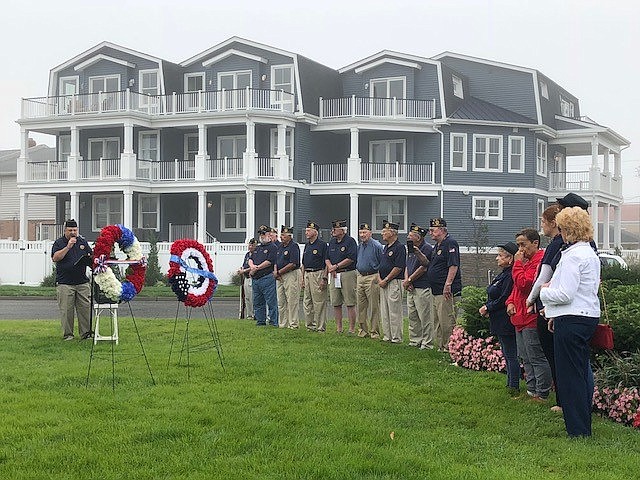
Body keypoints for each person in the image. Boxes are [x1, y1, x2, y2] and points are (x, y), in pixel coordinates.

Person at [540, 207, 601, 438]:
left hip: (573, 318)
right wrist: (556, 313)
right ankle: (582, 424)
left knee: (570, 376)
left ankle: (578, 430)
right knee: (580, 372)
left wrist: (545, 293)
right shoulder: (589, 253)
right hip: (586, 315)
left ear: (567, 230)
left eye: (562, 228)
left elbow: (565, 293)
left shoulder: (574, 255)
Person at [506, 228, 552, 401]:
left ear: (535, 243)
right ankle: (531, 390)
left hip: (531, 317)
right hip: (519, 315)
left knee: (536, 356)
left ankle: (542, 392)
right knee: (525, 357)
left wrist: (517, 264)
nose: (520, 249)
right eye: (518, 245)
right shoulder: (524, 261)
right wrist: (510, 301)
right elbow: (515, 287)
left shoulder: (539, 261)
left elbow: (525, 284)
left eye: (523, 245)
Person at [527, 204, 564, 411]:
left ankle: (561, 400)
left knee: (554, 356)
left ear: (553, 223)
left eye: (543, 221)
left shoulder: (556, 245)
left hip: (548, 305)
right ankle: (562, 398)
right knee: (553, 356)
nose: (542, 225)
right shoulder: (558, 244)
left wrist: (532, 298)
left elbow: (544, 276)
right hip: (548, 304)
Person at [479, 242, 518, 396]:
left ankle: (513, 385)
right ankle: (510, 383)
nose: (497, 258)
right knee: (506, 352)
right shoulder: (503, 274)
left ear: (510, 259)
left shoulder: (510, 276)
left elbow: (504, 298)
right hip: (498, 319)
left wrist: (488, 307)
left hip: (505, 319)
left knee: (510, 354)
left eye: (501, 256)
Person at [51, 219, 93, 341]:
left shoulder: (82, 242)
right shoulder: (59, 243)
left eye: (75, 230)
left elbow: (90, 256)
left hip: (82, 282)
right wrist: (68, 247)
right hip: (65, 283)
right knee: (67, 311)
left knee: (85, 309)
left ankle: (86, 334)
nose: (73, 232)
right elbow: (55, 257)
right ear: (65, 231)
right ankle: (68, 335)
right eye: (70, 230)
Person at [426, 218, 462, 351]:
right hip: (435, 289)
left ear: (441, 230)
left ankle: (450, 346)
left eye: (432, 230)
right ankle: (441, 346)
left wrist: (448, 284)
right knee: (437, 320)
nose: (430, 233)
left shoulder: (450, 243)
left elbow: (453, 265)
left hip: (445, 290)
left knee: (446, 320)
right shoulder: (437, 246)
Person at [403, 223, 433, 349]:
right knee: (412, 315)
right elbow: (407, 266)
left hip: (422, 286)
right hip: (411, 286)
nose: (408, 238)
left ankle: (427, 343)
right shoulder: (410, 248)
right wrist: (406, 280)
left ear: (419, 237)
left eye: (411, 236)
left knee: (424, 316)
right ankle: (415, 340)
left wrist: (410, 279)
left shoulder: (426, 248)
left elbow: (424, 267)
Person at [326, 220, 358, 334]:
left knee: (350, 302)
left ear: (343, 230)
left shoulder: (350, 241)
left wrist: (336, 266)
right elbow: (327, 257)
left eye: (336, 229)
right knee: (336, 302)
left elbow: (351, 258)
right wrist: (331, 267)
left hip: (347, 273)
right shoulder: (332, 242)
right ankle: (339, 328)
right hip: (334, 274)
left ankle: (351, 328)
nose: (333, 231)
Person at [378, 221, 406, 343]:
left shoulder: (399, 248)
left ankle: (396, 337)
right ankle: (387, 335)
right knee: (384, 310)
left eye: (385, 232)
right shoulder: (385, 247)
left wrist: (386, 279)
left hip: (393, 282)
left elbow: (398, 267)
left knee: (394, 310)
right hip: (383, 282)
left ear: (392, 233)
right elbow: (382, 265)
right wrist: (380, 279)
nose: (382, 234)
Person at [355, 222, 383, 338]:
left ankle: (374, 332)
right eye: (360, 232)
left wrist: (379, 277)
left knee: (373, 306)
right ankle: (363, 330)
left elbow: (382, 262)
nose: (362, 235)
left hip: (372, 276)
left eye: (364, 232)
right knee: (361, 306)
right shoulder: (360, 246)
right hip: (360, 276)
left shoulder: (377, 246)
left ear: (370, 233)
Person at [249, 225, 278, 327]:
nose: (261, 236)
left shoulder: (273, 247)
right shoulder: (258, 248)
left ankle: (273, 322)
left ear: (269, 234)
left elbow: (269, 262)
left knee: (271, 302)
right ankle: (260, 321)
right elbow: (250, 258)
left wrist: (256, 268)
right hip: (256, 278)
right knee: (257, 302)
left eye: (263, 233)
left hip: (267, 277)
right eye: (260, 234)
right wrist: (252, 266)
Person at [301, 221, 328, 332]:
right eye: (306, 230)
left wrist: (324, 278)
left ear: (315, 232)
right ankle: (310, 325)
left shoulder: (322, 245)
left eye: (308, 231)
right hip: (307, 273)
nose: (306, 233)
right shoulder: (307, 245)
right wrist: (302, 278)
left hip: (318, 273)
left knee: (319, 302)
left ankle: (321, 327)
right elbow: (303, 263)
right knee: (307, 301)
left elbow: (326, 263)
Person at [275, 226, 301, 329]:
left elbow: (293, 263)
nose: (282, 237)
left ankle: (293, 324)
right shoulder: (280, 247)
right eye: (281, 235)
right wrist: (275, 271)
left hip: (290, 274)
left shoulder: (294, 246)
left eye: (284, 236)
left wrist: (280, 272)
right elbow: (276, 260)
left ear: (290, 236)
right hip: (279, 276)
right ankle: (282, 324)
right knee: (281, 301)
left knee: (292, 300)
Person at [238, 238, 257, 320]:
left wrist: (244, 270)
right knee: (247, 297)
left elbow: (254, 266)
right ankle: (249, 315)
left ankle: (254, 314)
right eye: (249, 245)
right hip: (246, 277)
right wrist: (241, 269)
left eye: (252, 245)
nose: (250, 246)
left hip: (252, 277)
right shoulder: (247, 254)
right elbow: (244, 264)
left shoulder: (256, 254)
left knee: (253, 297)